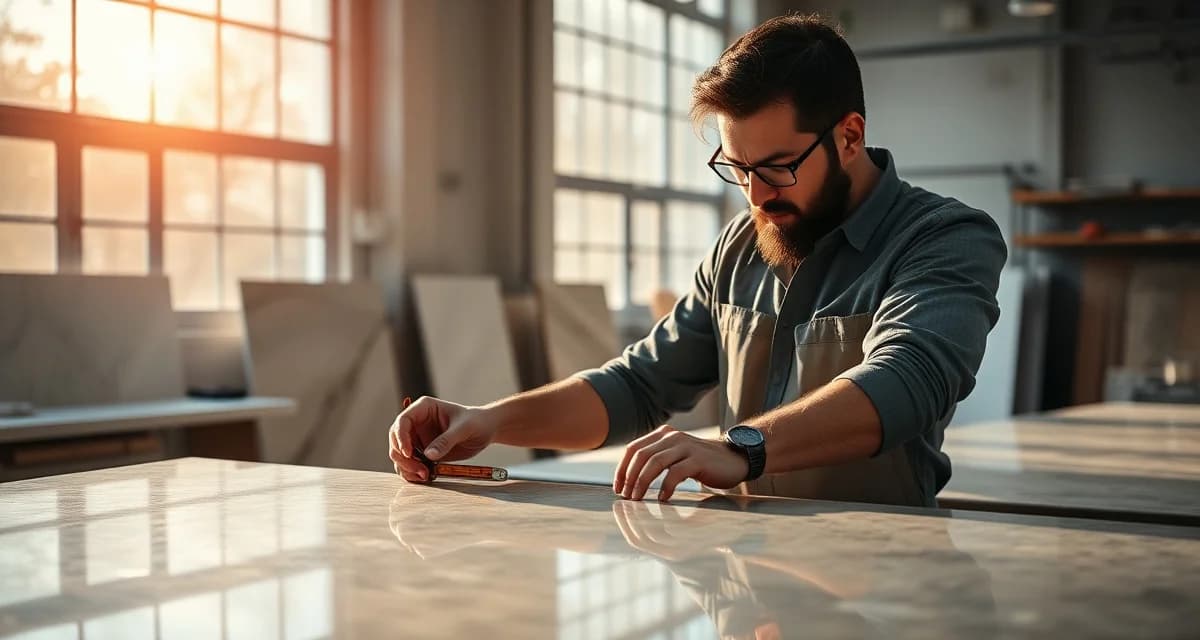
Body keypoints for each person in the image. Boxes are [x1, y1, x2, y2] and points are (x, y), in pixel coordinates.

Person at [389, 13, 1006, 508]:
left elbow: (909, 379)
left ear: (849, 136)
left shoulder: (945, 237)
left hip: (888, 583)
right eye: (738, 169)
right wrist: (491, 420)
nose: (759, 194)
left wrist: (742, 447)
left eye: (778, 167)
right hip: (747, 570)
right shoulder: (742, 244)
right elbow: (636, 385)